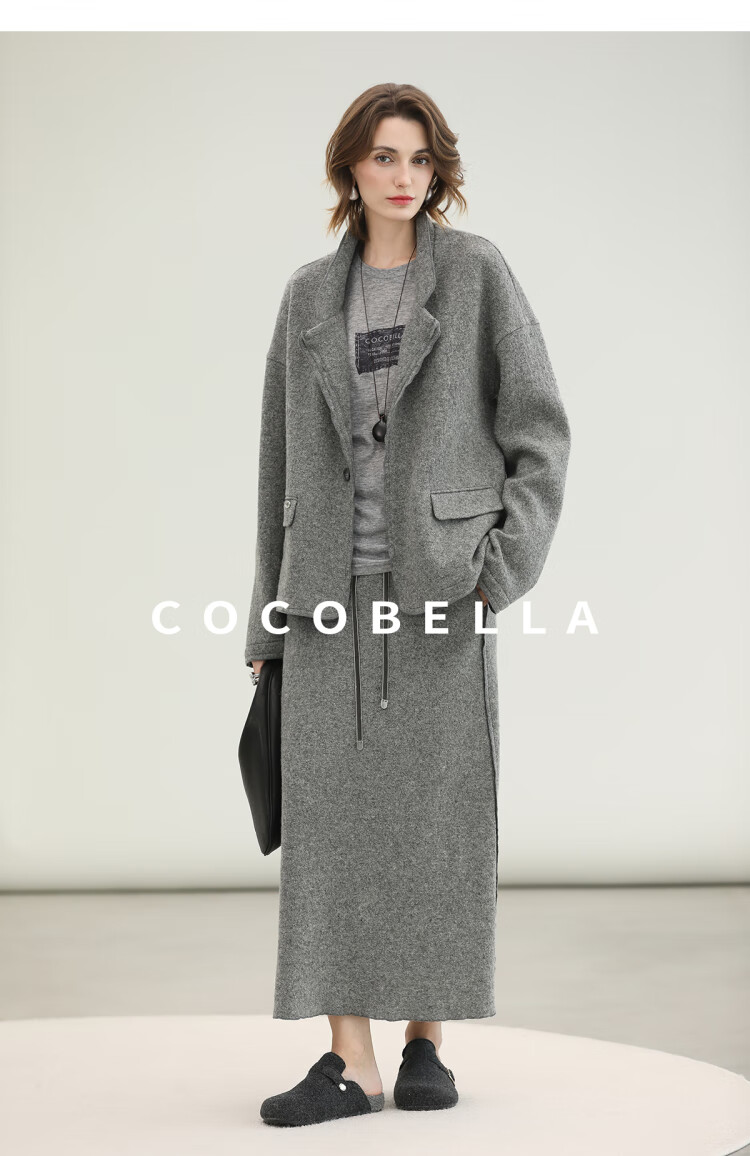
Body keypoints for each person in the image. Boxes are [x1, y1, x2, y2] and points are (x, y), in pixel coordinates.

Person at [245, 82, 571, 1127]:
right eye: (385, 156)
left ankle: (428, 1038)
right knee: (329, 836)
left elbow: (540, 432)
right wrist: (265, 620)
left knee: (439, 824)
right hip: (324, 600)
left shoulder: (475, 275)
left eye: (421, 158)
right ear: (350, 167)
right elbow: (276, 464)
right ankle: (351, 1059)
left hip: (441, 595)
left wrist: (497, 570)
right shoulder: (308, 295)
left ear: (440, 171)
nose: (404, 176)